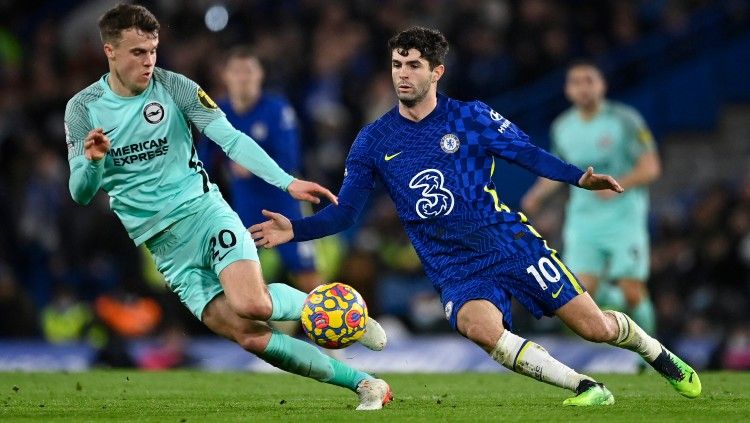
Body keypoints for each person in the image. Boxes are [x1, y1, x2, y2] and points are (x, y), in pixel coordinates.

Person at [250, 26, 701, 406]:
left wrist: (577, 179)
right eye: (396, 65)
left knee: (595, 328)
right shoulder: (373, 140)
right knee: (479, 328)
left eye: (412, 66)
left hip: (508, 241)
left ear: (436, 72)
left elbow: (528, 154)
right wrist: (297, 230)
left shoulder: (470, 118)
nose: (402, 75)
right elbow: (346, 213)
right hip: (453, 264)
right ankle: (586, 387)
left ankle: (655, 351)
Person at [64, 4, 390, 411]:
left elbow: (231, 140)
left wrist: (287, 181)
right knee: (249, 334)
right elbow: (80, 191)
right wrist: (93, 163)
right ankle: (366, 384)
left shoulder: (176, 87)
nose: (149, 61)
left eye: (152, 50)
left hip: (204, 214)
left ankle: (350, 316)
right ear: (109, 51)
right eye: (137, 53)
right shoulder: (82, 109)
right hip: (165, 248)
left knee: (251, 302)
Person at [521, 60, 661, 336]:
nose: (583, 88)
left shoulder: (625, 119)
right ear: (567, 90)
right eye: (576, 82)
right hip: (583, 221)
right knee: (580, 296)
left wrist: (620, 184)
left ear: (602, 85)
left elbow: (651, 167)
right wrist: (536, 194)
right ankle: (612, 299)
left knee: (632, 292)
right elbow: (558, 169)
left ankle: (654, 357)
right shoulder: (563, 127)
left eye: (589, 80)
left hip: (623, 218)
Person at [198, 47, 321, 294]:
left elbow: (290, 158)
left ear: (260, 75)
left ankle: (327, 325)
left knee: (306, 272)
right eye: (237, 71)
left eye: (249, 71)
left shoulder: (277, 109)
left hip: (283, 204)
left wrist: (251, 164)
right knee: (237, 275)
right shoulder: (217, 112)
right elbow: (203, 160)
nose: (243, 77)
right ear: (226, 76)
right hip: (244, 207)